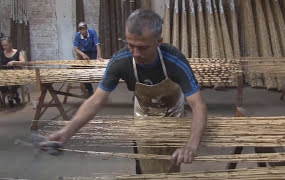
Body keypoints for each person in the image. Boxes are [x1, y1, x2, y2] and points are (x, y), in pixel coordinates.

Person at [44, 9, 207, 174]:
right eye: (131, 45)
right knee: (144, 165)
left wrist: (191, 146)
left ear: (159, 41)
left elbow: (198, 105)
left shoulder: (174, 60)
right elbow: (96, 100)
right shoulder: (120, 61)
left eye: (142, 48)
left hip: (173, 112)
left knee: (171, 165)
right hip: (143, 112)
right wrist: (66, 132)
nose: (135, 53)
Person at [73, 22, 102, 96]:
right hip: (84, 51)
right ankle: (89, 90)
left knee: (91, 69)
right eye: (80, 30)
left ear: (86, 29)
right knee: (84, 71)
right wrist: (82, 54)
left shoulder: (92, 32)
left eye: (83, 29)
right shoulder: (77, 35)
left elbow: (97, 45)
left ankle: (99, 89)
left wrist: (99, 57)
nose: (82, 31)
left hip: (93, 51)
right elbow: (75, 48)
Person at [0, 37, 26, 107]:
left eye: (6, 45)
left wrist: (14, 62)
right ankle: (13, 95)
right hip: (5, 74)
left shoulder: (17, 52)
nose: (5, 47)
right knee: (1, 84)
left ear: (11, 44)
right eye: (3, 46)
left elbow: (23, 62)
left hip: (16, 74)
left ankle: (11, 96)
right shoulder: (1, 53)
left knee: (13, 84)